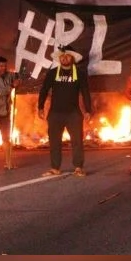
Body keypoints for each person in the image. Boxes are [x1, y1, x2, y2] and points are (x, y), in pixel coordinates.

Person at [37, 45, 93, 176]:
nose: (64, 58)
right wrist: (40, 107)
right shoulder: (52, 73)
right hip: (55, 113)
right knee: (54, 141)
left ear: (72, 58)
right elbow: (44, 90)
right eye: (62, 56)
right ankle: (55, 168)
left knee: (77, 141)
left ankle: (78, 167)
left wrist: (88, 110)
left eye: (67, 56)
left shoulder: (79, 74)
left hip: (73, 114)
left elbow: (85, 92)